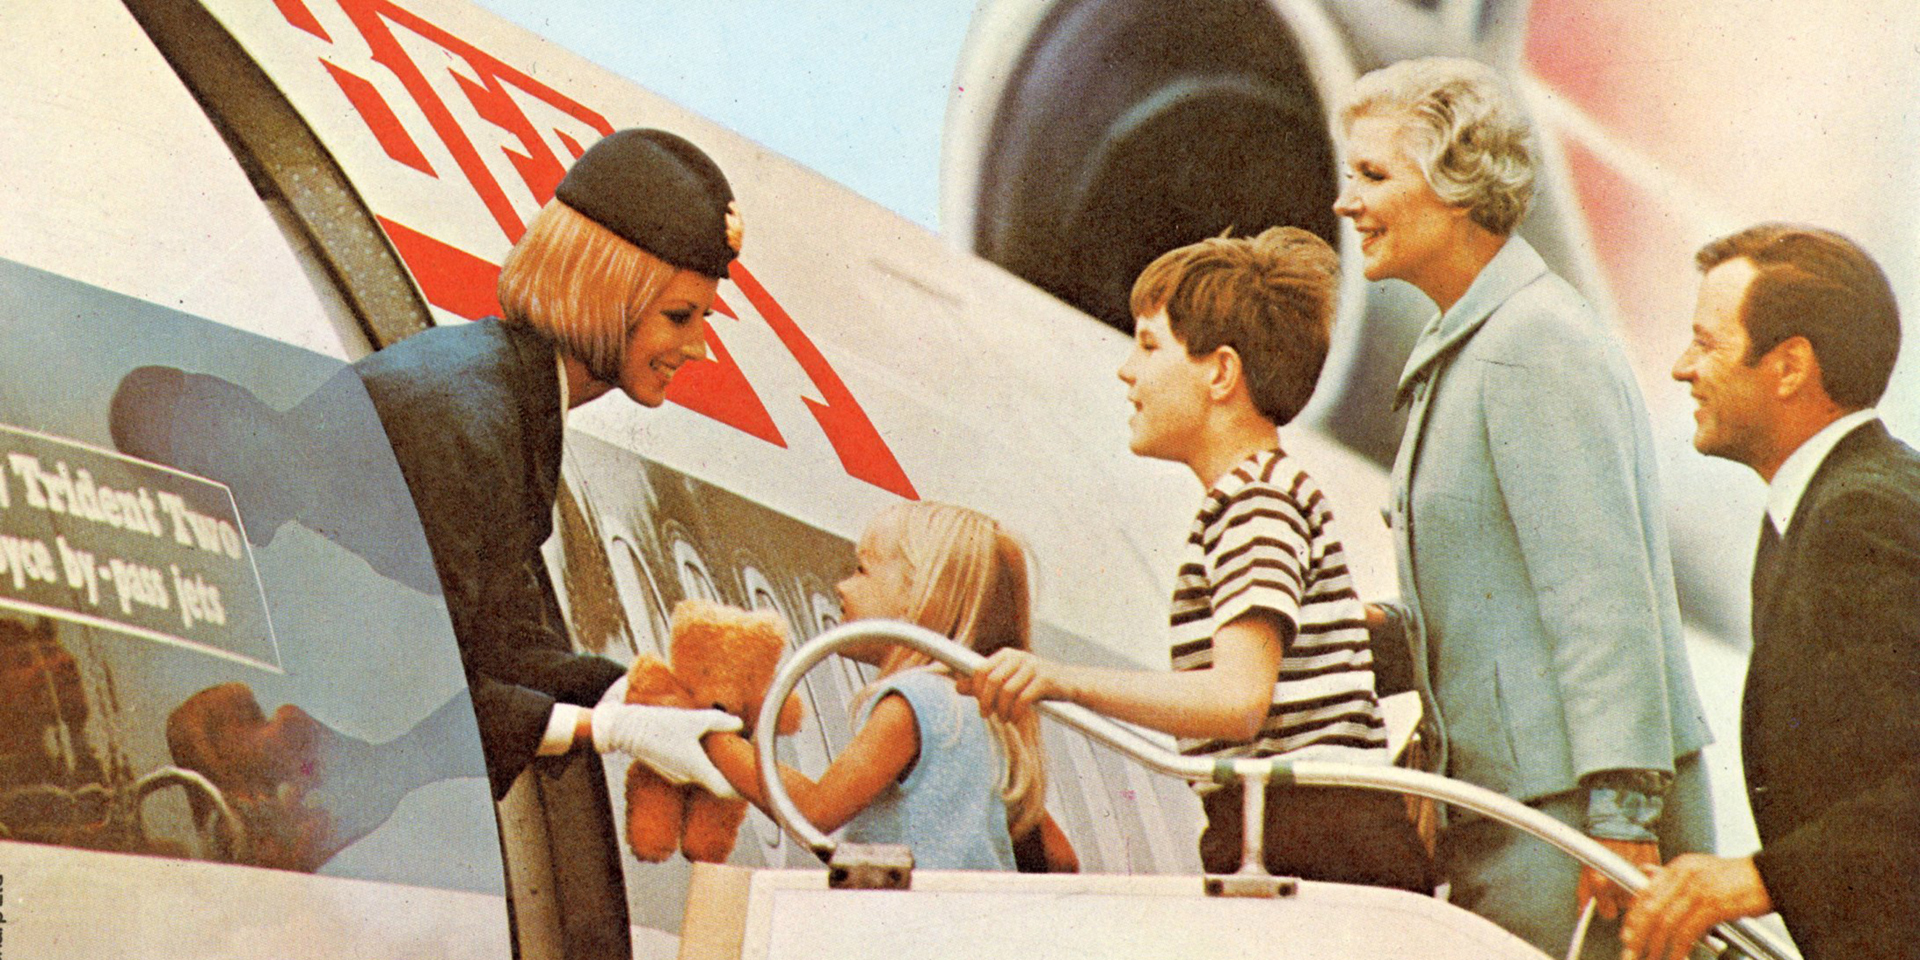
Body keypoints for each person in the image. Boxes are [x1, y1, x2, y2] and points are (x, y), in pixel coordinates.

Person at [1329, 57, 1713, 956]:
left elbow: (1599, 598)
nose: (1348, 203)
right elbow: (1489, 603)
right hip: (1518, 816)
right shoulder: (1470, 341)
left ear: (1460, 187)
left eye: (1375, 176)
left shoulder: (1530, 345)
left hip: (1577, 829)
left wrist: (1620, 820)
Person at [962, 226, 1433, 892]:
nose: (1128, 369)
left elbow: (1237, 701)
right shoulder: (1263, 496)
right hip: (1312, 835)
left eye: (1150, 345)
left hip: (1307, 841)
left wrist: (1060, 680)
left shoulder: (1256, 505)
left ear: (1220, 372)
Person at [354, 128, 747, 802]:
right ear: (605, 292)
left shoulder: (505, 397)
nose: (700, 348)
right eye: (679, 315)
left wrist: (624, 693)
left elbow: (502, 641)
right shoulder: (462, 416)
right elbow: (405, 681)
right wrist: (606, 730)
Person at [1622, 224, 1920, 960]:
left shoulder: (1860, 515)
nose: (1681, 368)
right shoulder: (1828, 503)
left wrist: (1761, 879)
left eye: (1707, 343)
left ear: (1789, 367)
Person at [702, 501, 1076, 872]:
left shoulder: (913, 701)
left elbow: (813, 811)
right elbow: (1060, 859)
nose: (841, 585)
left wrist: (708, 738)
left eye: (861, 570)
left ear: (917, 594)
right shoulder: (990, 715)